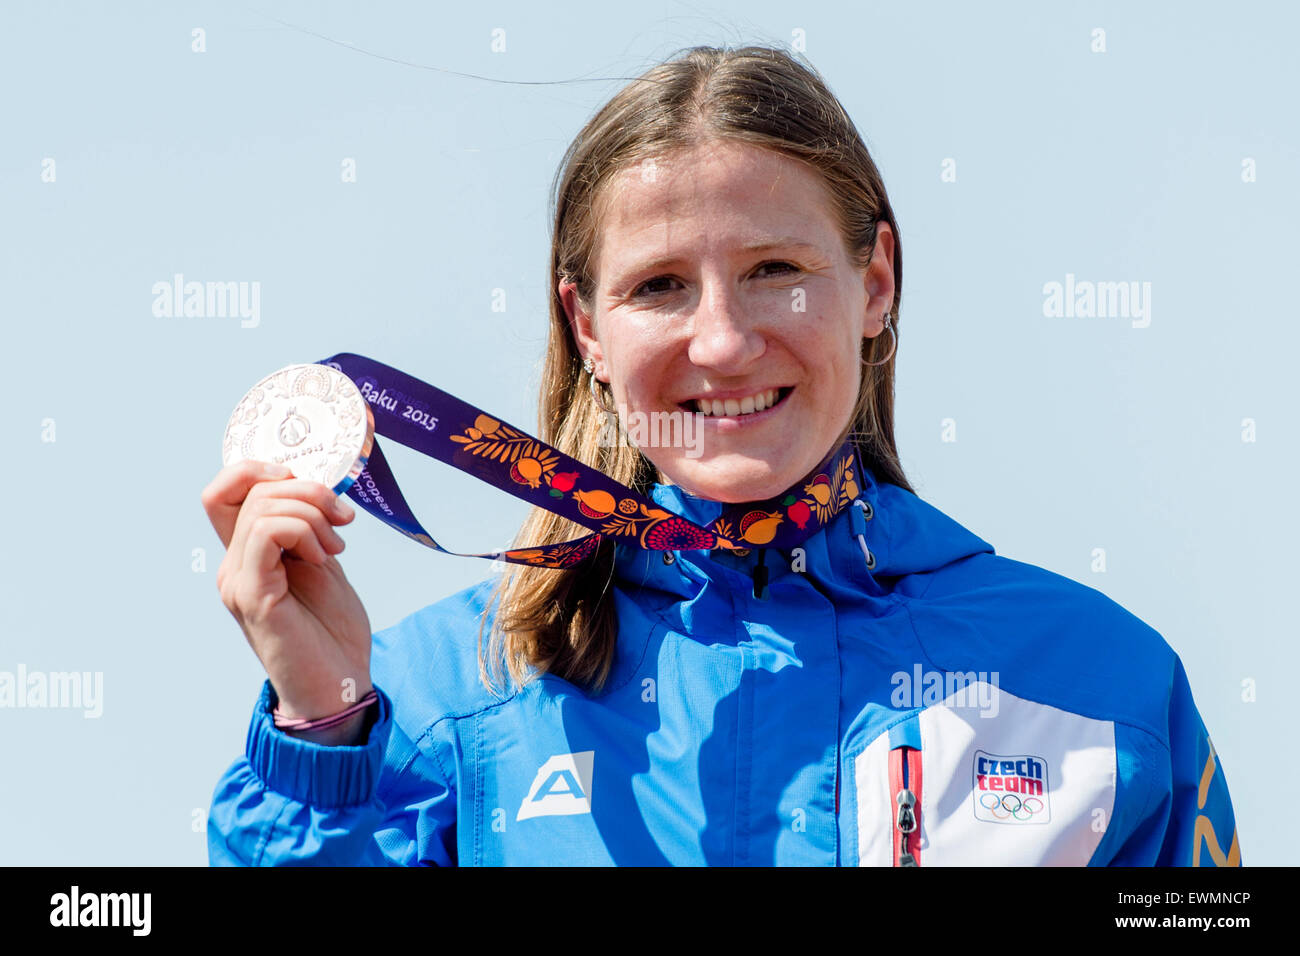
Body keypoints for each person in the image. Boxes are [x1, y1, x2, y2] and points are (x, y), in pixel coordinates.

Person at [201, 45, 1241, 866]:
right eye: (658, 286)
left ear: (874, 281)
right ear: (587, 328)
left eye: (775, 269)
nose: (724, 341)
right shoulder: (439, 698)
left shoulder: (1102, 680)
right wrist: (323, 725)